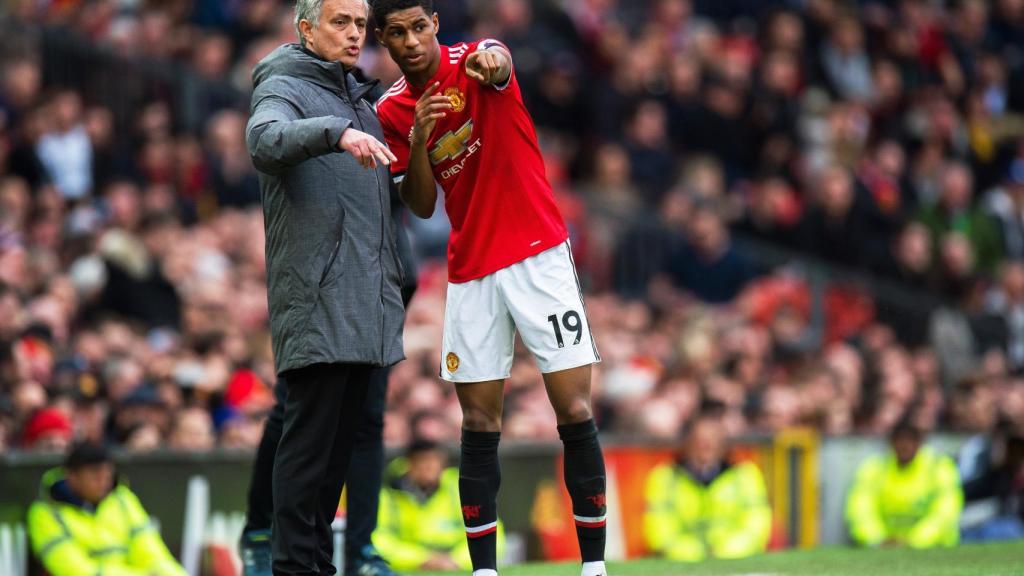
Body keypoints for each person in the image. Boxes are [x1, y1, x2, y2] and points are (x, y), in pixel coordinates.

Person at [374, 2, 608, 575]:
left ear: (433, 22)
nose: (411, 41)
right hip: (472, 268)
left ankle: (594, 568)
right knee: (479, 423)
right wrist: (424, 136)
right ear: (383, 39)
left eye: (419, 27)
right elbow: (421, 203)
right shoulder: (392, 110)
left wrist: (495, 65)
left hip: (538, 256)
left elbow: (496, 61)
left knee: (573, 407)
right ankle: (483, 571)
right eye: (397, 33)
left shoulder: (474, 58)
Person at [244, 0, 406, 574]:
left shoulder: (358, 98)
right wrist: (335, 132)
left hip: (366, 303)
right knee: (309, 452)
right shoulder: (283, 83)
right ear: (305, 28)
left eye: (361, 24)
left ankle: (317, 566)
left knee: (335, 457)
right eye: (341, 21)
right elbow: (263, 141)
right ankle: (293, 568)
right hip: (316, 299)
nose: (355, 33)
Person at [26, 442, 187, 576]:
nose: (104, 483)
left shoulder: (122, 499)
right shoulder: (45, 512)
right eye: (95, 477)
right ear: (72, 477)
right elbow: (72, 569)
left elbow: (152, 552)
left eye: (108, 477)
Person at [642, 415, 771, 562]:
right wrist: (694, 553)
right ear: (687, 442)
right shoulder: (665, 477)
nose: (706, 446)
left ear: (723, 444)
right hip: (682, 562)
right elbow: (659, 529)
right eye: (699, 440)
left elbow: (756, 525)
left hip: (735, 560)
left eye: (713, 439)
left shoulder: (745, 475)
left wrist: (725, 552)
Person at [373, 440, 506, 572]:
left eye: (434, 460)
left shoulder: (459, 489)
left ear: (443, 464)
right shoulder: (388, 495)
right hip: (410, 568)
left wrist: (457, 560)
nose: (429, 466)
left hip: (455, 565)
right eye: (422, 460)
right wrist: (421, 559)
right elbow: (377, 539)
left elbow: (489, 530)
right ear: (409, 463)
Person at [846, 420, 964, 548]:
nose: (904, 446)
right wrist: (877, 539)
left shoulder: (939, 467)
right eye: (899, 440)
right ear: (891, 443)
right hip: (884, 548)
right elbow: (860, 509)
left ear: (919, 443)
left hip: (934, 551)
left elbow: (945, 512)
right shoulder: (874, 468)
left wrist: (915, 541)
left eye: (910, 440)